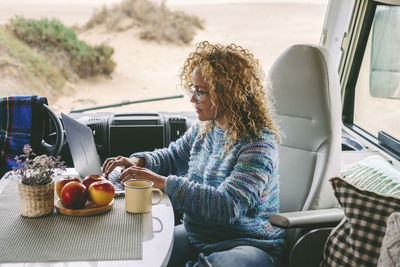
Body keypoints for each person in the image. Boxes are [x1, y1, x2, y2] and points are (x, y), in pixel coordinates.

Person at [102, 41, 286, 266]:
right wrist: (138, 160)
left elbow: (228, 206)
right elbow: (171, 157)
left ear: (226, 94)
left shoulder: (258, 145)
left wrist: (163, 183)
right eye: (193, 90)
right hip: (199, 237)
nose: (192, 100)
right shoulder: (204, 129)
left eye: (200, 93)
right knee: (140, 254)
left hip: (247, 244)